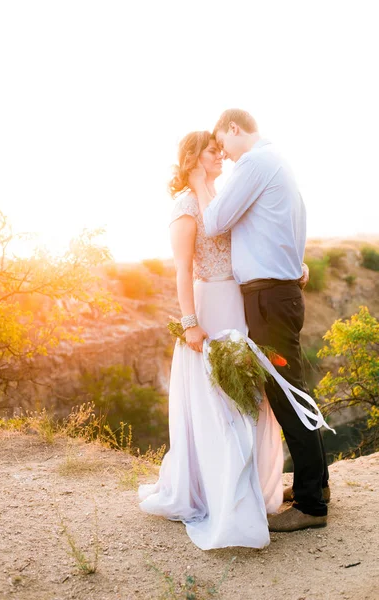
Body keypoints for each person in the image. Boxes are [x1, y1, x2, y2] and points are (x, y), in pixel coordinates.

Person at [138, 131, 283, 550]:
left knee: (247, 395)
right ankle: (221, 496)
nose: (220, 154)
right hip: (208, 306)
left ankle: (252, 488)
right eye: (212, 150)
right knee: (216, 398)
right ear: (192, 158)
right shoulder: (185, 206)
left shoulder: (222, 200)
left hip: (237, 303)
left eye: (222, 148)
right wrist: (189, 323)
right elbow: (183, 270)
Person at [190, 109, 329, 532]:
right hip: (279, 293)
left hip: (269, 297)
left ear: (234, 129)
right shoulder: (278, 161)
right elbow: (288, 226)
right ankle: (315, 485)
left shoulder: (253, 162)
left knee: (286, 394)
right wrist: (294, 265)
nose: (224, 156)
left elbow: (214, 222)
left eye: (222, 143)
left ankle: (311, 505)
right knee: (293, 390)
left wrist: (198, 183)